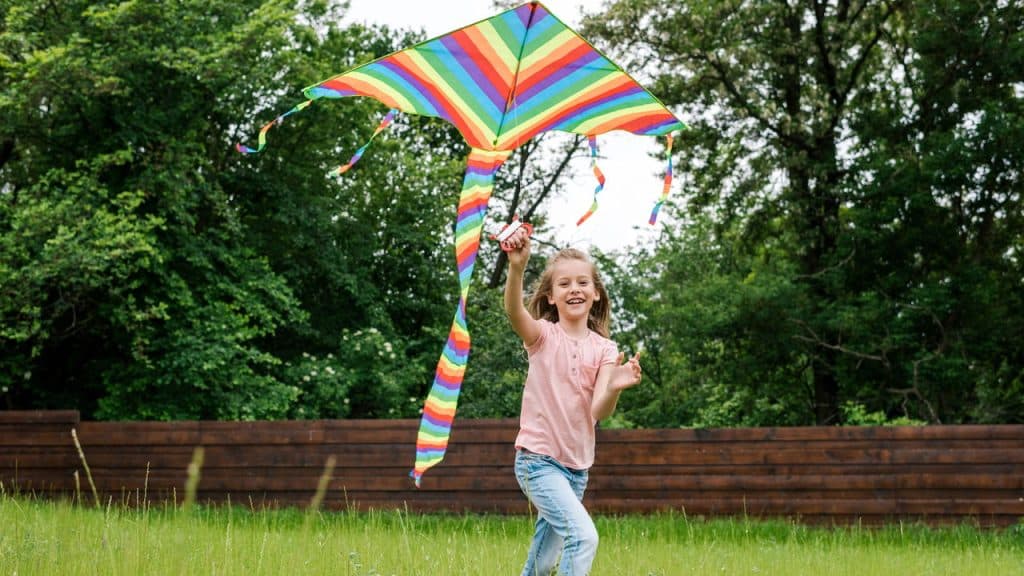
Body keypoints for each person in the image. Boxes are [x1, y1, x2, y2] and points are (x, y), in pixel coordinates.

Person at [501, 227, 642, 576]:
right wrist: (517, 268)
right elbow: (514, 311)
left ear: (595, 293)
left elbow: (599, 411)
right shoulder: (543, 337)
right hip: (537, 463)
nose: (574, 289)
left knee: (544, 561)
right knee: (584, 537)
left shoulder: (606, 349)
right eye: (564, 284)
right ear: (551, 296)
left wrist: (615, 387)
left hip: (577, 471)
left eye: (582, 283)